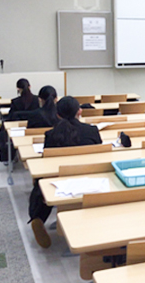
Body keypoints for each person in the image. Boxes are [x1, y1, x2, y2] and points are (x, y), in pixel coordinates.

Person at [29, 96, 102, 248]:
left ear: (57, 114)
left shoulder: (51, 134)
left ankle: (38, 217)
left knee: (41, 184)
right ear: (79, 112)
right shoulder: (92, 131)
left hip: (59, 179)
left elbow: (47, 162)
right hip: (89, 177)